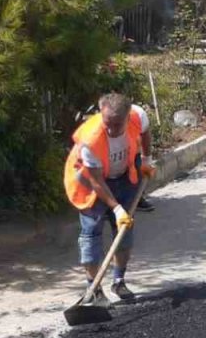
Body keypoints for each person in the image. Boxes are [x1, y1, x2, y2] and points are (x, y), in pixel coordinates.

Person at [62, 92, 155, 304]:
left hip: (123, 177)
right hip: (90, 183)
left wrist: (147, 160)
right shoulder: (90, 139)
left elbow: (146, 133)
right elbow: (96, 181)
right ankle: (93, 289)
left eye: (117, 124)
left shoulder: (137, 116)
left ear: (127, 115)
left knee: (124, 232)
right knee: (91, 234)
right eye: (107, 123)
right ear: (101, 114)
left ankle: (119, 281)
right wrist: (116, 208)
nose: (112, 130)